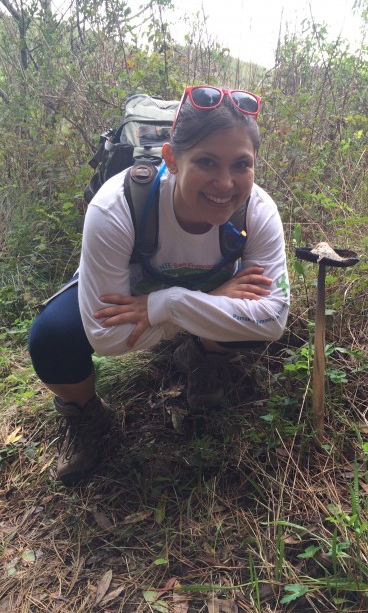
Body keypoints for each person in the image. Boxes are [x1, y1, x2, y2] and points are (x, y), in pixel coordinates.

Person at [28, 85, 290, 486]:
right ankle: (87, 414)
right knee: (53, 337)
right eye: (207, 162)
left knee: (249, 318)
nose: (226, 183)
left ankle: (203, 355)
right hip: (125, 294)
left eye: (242, 165)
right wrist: (208, 303)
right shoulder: (116, 206)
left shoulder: (258, 210)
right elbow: (105, 337)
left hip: (158, 303)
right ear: (171, 158)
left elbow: (272, 319)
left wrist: (169, 304)